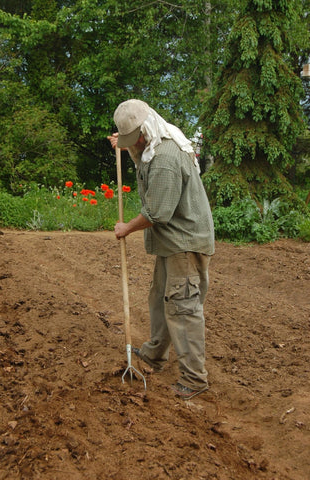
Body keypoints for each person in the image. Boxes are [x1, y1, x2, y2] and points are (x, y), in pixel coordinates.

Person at [108, 99, 214, 400]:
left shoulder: (166, 158)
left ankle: (194, 380)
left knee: (182, 307)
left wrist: (126, 227)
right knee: (160, 297)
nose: (134, 144)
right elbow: (143, 159)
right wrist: (125, 144)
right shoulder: (155, 142)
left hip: (185, 244)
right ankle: (155, 353)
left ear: (146, 129)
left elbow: (157, 214)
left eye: (134, 138)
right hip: (173, 243)